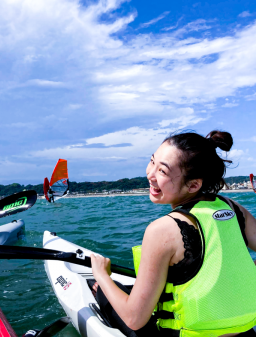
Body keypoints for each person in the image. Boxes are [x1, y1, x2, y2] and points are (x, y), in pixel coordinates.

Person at [90, 130, 256, 337]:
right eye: (152, 162)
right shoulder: (233, 208)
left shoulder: (162, 230)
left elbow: (135, 319)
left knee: (100, 290)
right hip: (246, 332)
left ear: (194, 184)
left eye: (162, 171)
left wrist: (102, 275)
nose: (150, 175)